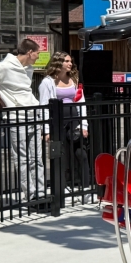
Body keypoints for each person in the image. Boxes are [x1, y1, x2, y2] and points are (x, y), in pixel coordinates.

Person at [0, 39, 47, 202]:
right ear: (30, 52)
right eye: (37, 53)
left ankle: (40, 193)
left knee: (37, 158)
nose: (38, 56)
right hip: (16, 117)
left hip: (33, 115)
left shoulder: (28, 68)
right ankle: (31, 195)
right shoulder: (4, 67)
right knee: (23, 158)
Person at [39, 52, 91, 200]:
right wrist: (46, 130)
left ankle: (85, 188)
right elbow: (43, 106)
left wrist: (84, 124)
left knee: (81, 153)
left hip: (74, 120)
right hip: (57, 121)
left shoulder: (73, 79)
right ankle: (61, 188)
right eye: (67, 61)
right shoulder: (47, 82)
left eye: (71, 61)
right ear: (58, 63)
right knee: (60, 155)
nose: (70, 64)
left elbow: (81, 102)